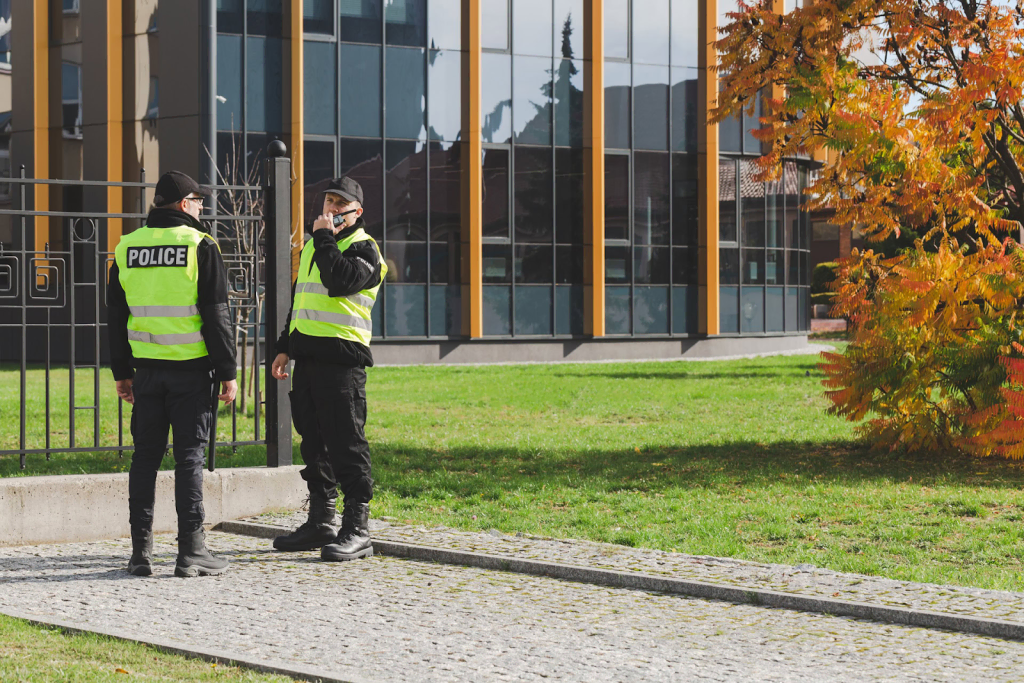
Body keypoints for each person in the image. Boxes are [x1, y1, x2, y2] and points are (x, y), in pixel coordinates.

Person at [107, 170, 238, 578]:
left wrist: (121, 373)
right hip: (190, 372)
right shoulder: (200, 244)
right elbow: (217, 317)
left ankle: (140, 553)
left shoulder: (127, 247)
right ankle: (191, 551)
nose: (202, 209)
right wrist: (229, 371)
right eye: (199, 202)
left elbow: (115, 319)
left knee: (144, 458)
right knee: (189, 459)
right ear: (185, 204)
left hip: (146, 373)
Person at [270, 176, 387, 561]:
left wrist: (323, 239)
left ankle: (357, 529)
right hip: (308, 361)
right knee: (314, 445)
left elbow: (338, 281)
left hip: (342, 364)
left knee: (346, 445)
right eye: (329, 202)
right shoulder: (312, 249)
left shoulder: (366, 250)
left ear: (358, 212)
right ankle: (321, 521)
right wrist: (285, 347)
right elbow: (302, 301)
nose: (332, 209)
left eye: (341, 204)